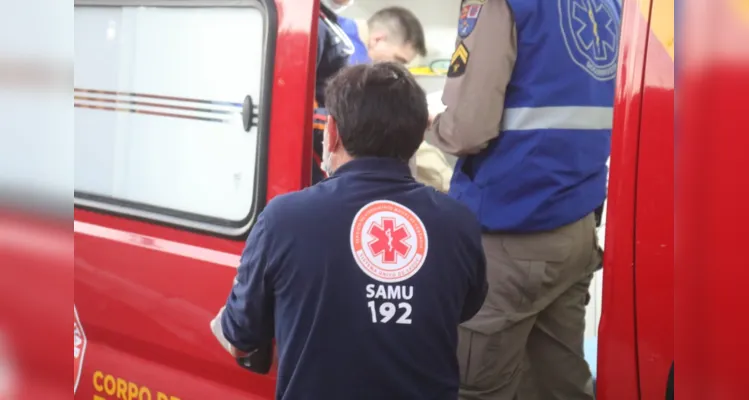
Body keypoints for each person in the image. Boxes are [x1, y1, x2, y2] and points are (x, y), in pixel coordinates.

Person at [212, 62, 488, 400]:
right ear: (418, 139)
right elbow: (463, 308)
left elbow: (241, 335)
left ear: (332, 131)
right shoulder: (457, 223)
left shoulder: (283, 220)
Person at [425, 0, 621, 399]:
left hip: (510, 234)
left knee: (472, 385)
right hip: (576, 225)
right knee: (559, 381)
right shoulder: (611, 5)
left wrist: (426, 125)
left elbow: (468, 130)